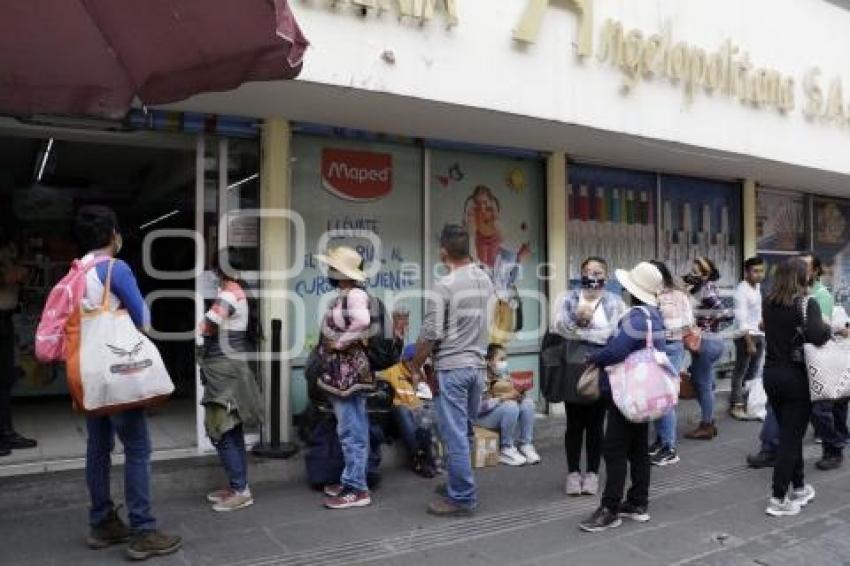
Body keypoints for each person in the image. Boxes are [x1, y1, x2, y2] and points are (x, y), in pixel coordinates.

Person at [74, 206, 182, 560]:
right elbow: (144, 318)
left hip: (90, 371)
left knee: (97, 447)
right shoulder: (115, 268)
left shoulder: (76, 271)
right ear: (112, 235)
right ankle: (143, 531)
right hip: (119, 371)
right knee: (137, 447)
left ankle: (102, 523)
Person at [412, 224, 494, 517]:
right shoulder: (485, 279)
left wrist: (415, 365)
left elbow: (431, 332)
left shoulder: (444, 285)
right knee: (464, 432)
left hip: (454, 368)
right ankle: (458, 482)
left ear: (443, 251)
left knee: (455, 435)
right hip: (478, 368)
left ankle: (462, 497)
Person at [578, 262, 666, 533]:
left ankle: (610, 508)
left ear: (632, 290)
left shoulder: (637, 317)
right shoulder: (655, 316)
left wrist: (594, 357)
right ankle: (638, 502)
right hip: (646, 393)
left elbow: (617, 350)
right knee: (638, 448)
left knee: (614, 449)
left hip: (627, 394)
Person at [762, 258, 831, 517]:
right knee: (790, 439)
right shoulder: (806, 303)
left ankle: (800, 488)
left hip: (771, 375)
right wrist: (826, 328)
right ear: (801, 278)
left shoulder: (769, 302)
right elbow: (817, 336)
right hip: (796, 378)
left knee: (789, 433)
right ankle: (778, 498)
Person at [197, 252, 264, 512]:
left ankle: (240, 490)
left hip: (224, 371)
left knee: (222, 430)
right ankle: (238, 485)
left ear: (218, 270)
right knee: (231, 428)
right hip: (230, 368)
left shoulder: (228, 294)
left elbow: (205, 326)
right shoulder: (238, 292)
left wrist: (205, 323)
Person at [553, 257, 625, 495]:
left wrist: (584, 333)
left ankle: (592, 473)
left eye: (598, 271)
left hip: (601, 366)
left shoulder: (614, 301)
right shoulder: (569, 298)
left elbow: (614, 332)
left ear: (606, 275)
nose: (593, 275)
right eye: (588, 270)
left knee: (595, 424)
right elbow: (558, 327)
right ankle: (573, 473)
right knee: (574, 424)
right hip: (573, 365)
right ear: (580, 273)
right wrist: (577, 321)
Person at [314, 246, 375, 510]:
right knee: (350, 427)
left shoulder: (355, 295)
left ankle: (357, 488)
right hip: (343, 372)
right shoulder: (345, 295)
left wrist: (340, 342)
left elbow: (362, 321)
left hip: (347, 372)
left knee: (352, 430)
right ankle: (351, 478)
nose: (329, 272)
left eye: (332, 268)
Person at [801, 253, 849, 471]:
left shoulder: (821, 295)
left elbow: (821, 331)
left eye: (805, 266)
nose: (800, 270)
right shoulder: (799, 292)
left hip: (821, 358)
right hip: (806, 358)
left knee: (822, 408)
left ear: (816, 271)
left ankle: (835, 447)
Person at [648, 260, 694, 466]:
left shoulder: (673, 295)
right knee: (658, 397)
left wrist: (661, 327)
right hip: (658, 347)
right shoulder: (651, 293)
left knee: (665, 398)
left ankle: (669, 447)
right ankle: (660, 440)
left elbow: (686, 323)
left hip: (670, 346)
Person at [683, 256, 731, 441]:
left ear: (706, 274)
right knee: (705, 384)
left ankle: (707, 425)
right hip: (708, 342)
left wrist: (707, 324)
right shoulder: (701, 289)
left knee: (703, 386)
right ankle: (708, 421)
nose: (692, 274)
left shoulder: (706, 289)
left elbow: (726, 314)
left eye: (696, 272)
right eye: (692, 271)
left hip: (707, 342)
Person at [0, 226, 37, 456]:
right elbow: (12, 276)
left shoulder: (8, 257)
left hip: (5, 319)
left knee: (4, 379)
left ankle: (6, 432)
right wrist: (11, 272)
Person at [477, 343, 540, 466]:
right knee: (510, 406)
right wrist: (503, 398)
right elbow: (478, 408)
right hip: (480, 418)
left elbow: (509, 393)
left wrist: (518, 395)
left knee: (527, 404)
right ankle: (506, 448)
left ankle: (525, 444)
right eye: (501, 359)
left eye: (505, 359)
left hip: (498, 411)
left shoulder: (502, 374)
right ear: (489, 361)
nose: (504, 363)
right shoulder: (479, 378)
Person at [379, 344, 437, 478]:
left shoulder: (422, 374)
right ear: (405, 359)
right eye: (411, 360)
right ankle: (418, 457)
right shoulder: (393, 371)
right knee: (402, 410)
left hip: (417, 409)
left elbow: (424, 396)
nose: (414, 364)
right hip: (401, 409)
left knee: (426, 418)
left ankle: (426, 457)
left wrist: (416, 383)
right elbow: (376, 377)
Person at [730, 257, 767, 421]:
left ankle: (750, 404)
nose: (759, 275)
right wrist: (749, 342)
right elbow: (741, 319)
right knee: (740, 371)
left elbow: (757, 312)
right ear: (747, 272)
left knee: (752, 373)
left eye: (761, 271)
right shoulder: (741, 291)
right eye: (755, 271)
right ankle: (736, 405)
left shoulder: (757, 286)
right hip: (746, 337)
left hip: (759, 334)